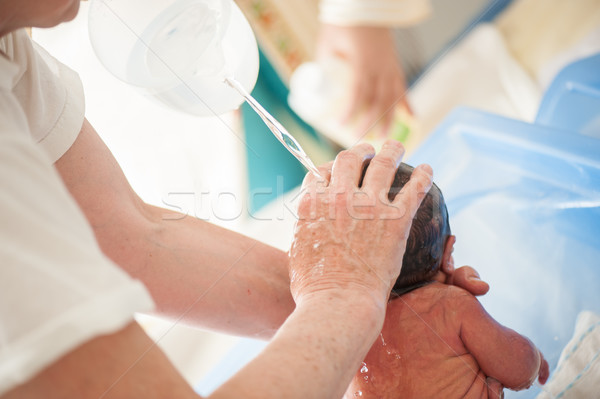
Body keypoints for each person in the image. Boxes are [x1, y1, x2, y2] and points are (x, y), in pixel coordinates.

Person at [0, 1, 490, 398]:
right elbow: (528, 364)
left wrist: (392, 301)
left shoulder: (9, 38)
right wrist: (346, 299)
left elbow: (124, 233)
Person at [345, 163, 550, 399]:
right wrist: (533, 357)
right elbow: (518, 369)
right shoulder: (450, 306)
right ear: (449, 253)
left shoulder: (348, 331)